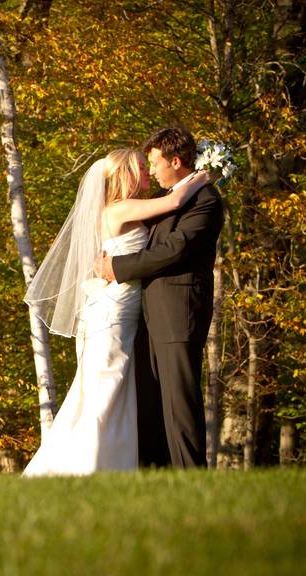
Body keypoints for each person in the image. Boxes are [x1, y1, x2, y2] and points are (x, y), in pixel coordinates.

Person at [22, 147, 209, 476]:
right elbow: (175, 203)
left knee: (112, 387)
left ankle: (115, 462)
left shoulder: (123, 210)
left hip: (120, 308)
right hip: (116, 311)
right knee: (106, 386)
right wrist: (203, 175)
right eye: (141, 166)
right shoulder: (122, 208)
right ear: (125, 174)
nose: (148, 172)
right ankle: (88, 466)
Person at [98, 127, 224, 468]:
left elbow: (174, 249)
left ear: (176, 161)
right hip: (147, 314)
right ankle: (157, 474)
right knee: (152, 401)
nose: (151, 171)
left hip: (178, 313)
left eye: (154, 163)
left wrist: (117, 267)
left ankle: (190, 476)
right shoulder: (171, 198)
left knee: (179, 401)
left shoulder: (205, 199)